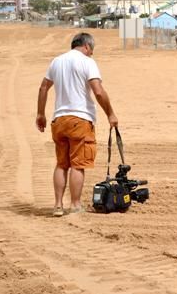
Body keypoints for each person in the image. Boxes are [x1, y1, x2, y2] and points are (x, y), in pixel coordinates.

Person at [36, 32, 118, 217]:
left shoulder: (56, 61)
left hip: (59, 119)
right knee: (78, 165)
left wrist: (40, 114)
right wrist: (110, 113)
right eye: (91, 51)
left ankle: (57, 205)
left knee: (61, 164)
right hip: (80, 118)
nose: (91, 54)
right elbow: (98, 91)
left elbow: (43, 88)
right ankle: (75, 204)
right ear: (87, 47)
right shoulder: (87, 62)